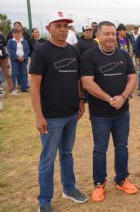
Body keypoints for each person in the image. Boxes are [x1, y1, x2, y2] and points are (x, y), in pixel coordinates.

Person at [29, 11, 87, 212]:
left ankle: (69, 189)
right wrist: (39, 116)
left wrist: (81, 100)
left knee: (67, 154)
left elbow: (78, 79)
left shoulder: (73, 51)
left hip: (71, 114)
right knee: (47, 159)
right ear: (48, 28)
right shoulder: (41, 51)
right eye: (58, 26)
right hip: (51, 118)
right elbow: (34, 86)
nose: (63, 30)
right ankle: (44, 201)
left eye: (66, 26)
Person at [80, 21, 138, 202]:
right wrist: (109, 99)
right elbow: (87, 82)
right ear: (98, 35)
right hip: (100, 114)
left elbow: (132, 77)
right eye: (106, 34)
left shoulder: (123, 55)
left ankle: (121, 179)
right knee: (100, 149)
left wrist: (122, 97)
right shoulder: (89, 56)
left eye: (113, 34)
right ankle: (99, 183)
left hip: (122, 112)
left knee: (122, 146)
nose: (111, 37)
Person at [6, 28, 30, 93]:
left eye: (18, 33)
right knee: (14, 73)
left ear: (21, 34)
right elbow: (9, 50)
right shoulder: (10, 41)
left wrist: (24, 57)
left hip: (23, 59)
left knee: (24, 73)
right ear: (12, 34)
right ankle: (12, 88)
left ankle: (24, 88)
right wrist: (17, 57)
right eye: (15, 33)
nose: (17, 34)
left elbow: (27, 49)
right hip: (14, 60)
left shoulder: (24, 41)